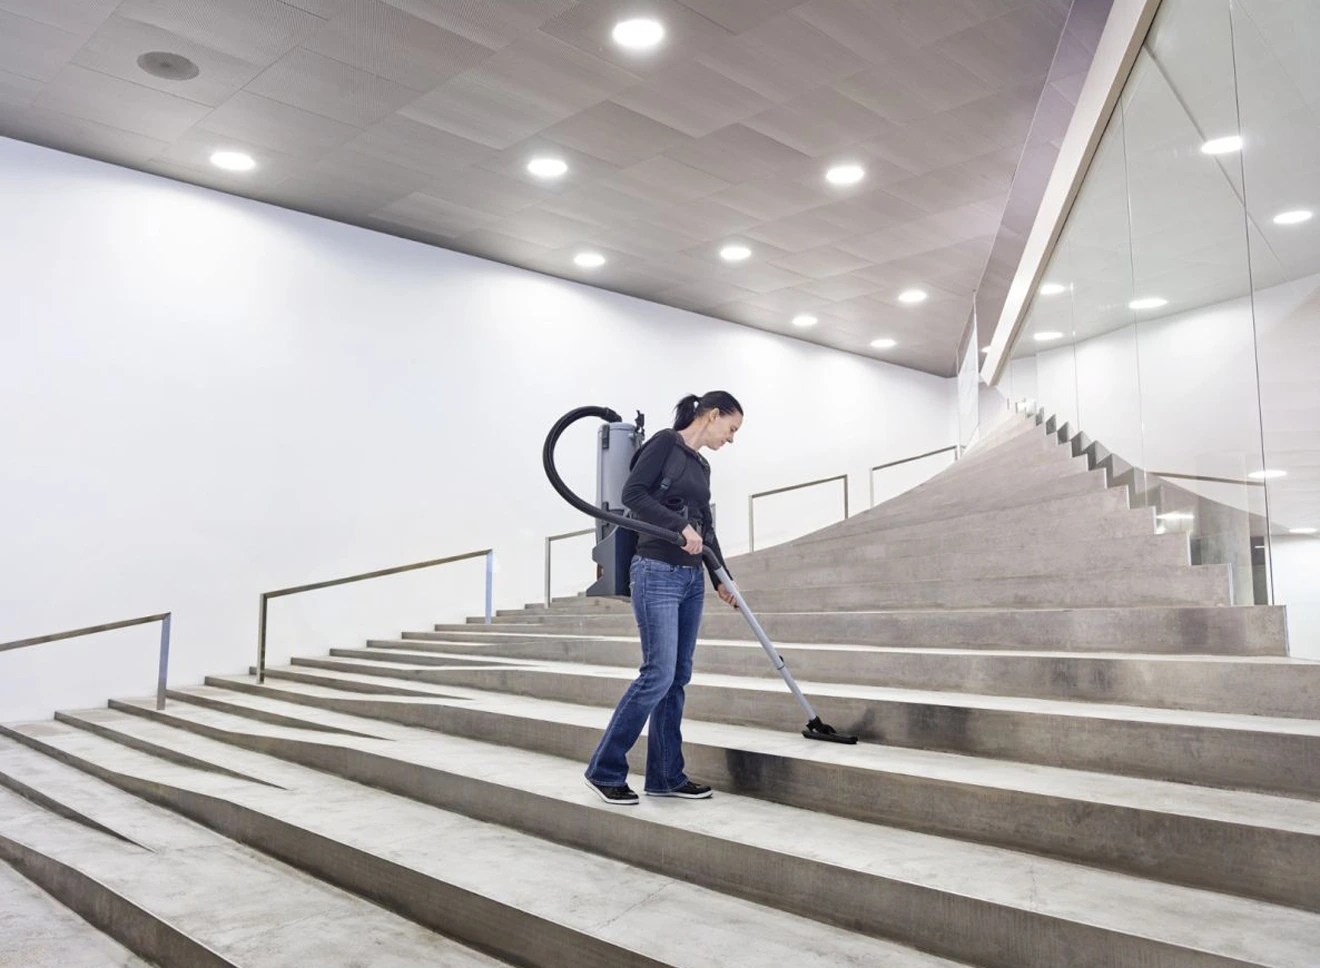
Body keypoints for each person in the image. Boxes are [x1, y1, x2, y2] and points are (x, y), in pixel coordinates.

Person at [583, 391, 743, 805]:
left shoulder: (702, 465)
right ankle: (605, 769)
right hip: (656, 571)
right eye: (731, 428)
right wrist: (676, 525)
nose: (731, 438)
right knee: (657, 674)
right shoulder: (662, 444)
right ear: (712, 415)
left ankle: (666, 776)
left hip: (690, 579)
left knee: (677, 679)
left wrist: (720, 576)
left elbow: (705, 528)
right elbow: (633, 495)